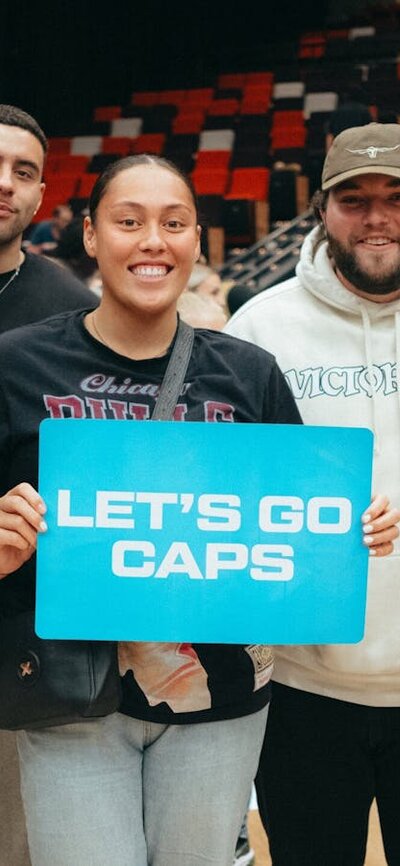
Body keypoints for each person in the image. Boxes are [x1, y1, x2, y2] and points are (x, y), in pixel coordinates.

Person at [0, 153, 303, 866]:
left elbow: (294, 517)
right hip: (69, 693)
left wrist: (349, 533)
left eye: (174, 223)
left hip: (219, 698)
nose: (152, 241)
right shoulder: (15, 364)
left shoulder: (248, 371)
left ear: (198, 242)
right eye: (128, 221)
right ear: (91, 236)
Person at [226, 122, 400, 866]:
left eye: (396, 197)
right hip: (303, 693)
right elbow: (226, 491)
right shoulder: (261, 326)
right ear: (324, 210)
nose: (376, 217)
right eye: (354, 199)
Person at [0, 103, 97, 866]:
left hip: (17, 641)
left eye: (23, 172)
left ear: (41, 197)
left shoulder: (73, 309)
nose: (4, 184)